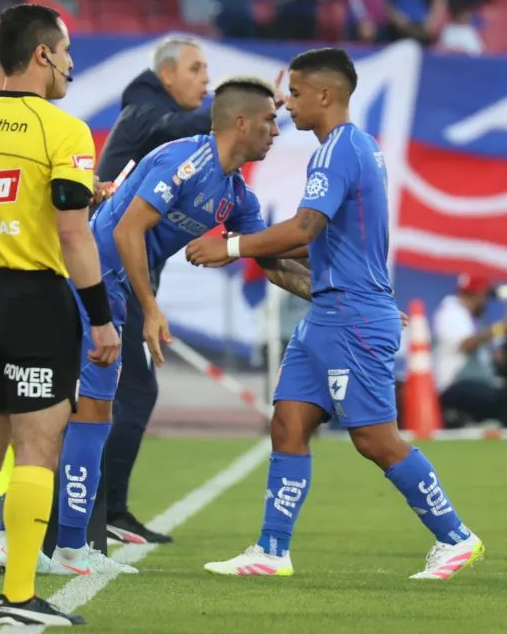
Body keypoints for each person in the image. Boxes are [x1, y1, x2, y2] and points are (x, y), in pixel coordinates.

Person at [187, 47, 484, 579]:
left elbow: (304, 229)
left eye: (296, 95)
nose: (288, 107)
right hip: (328, 314)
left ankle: (457, 537)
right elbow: (322, 238)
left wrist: (232, 248)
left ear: (326, 95)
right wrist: (254, 246)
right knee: (288, 422)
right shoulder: (354, 146)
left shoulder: (338, 151)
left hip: (352, 315)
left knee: (374, 438)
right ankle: (272, 550)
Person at [45, 75, 315, 577]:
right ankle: (43, 543)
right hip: (92, 283)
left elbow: (273, 261)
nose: (276, 132)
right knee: (76, 411)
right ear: (240, 123)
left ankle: (66, 547)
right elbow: (128, 229)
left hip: (118, 292)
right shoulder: (185, 160)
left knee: (95, 414)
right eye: (268, 121)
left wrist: (337, 289)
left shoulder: (236, 196)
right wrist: (151, 308)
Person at [0, 3, 120, 627]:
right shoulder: (65, 130)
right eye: (66, 52)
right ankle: (19, 596)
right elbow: (74, 236)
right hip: (34, 302)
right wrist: (100, 320)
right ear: (42, 54)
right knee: (38, 453)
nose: (72, 64)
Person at [96, 35, 211, 546]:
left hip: (114, 275)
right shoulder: (147, 113)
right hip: (104, 276)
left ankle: (98, 509)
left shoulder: (150, 117)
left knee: (115, 394)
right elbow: (182, 126)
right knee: (128, 392)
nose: (204, 80)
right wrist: (239, 113)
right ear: (166, 75)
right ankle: (100, 509)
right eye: (195, 69)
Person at [433, 274, 507, 427]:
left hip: (471, 381)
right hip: (455, 384)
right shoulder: (452, 312)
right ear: (478, 294)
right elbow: (467, 345)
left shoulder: (468, 317)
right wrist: (500, 328)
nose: (486, 302)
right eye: (485, 296)